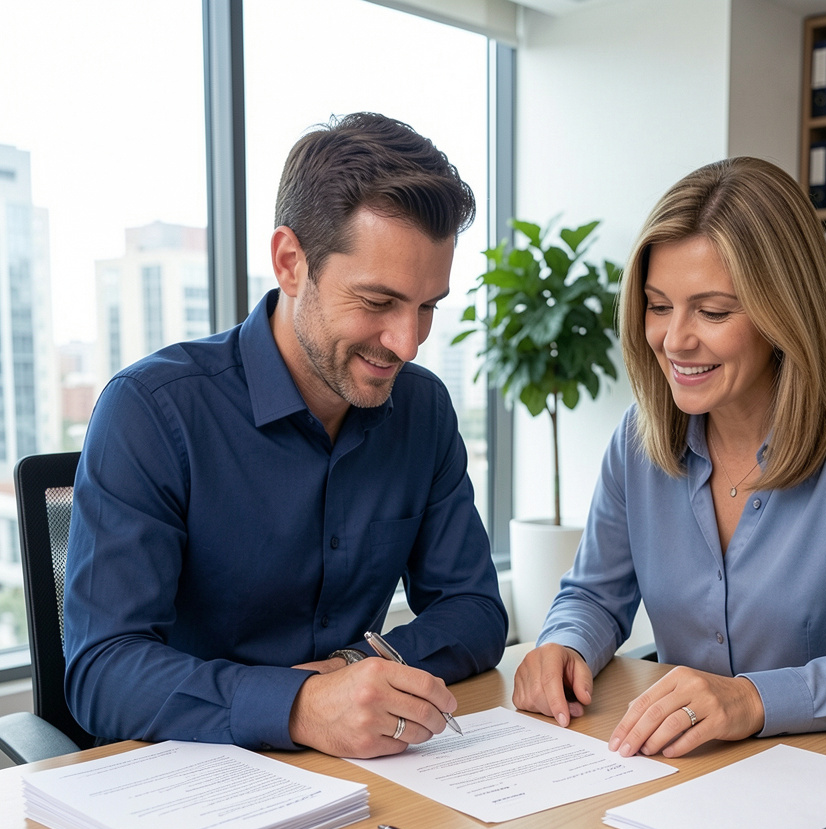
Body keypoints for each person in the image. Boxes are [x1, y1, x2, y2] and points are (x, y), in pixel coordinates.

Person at [64, 112, 508, 759]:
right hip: (193, 784)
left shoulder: (424, 411)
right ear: (291, 262)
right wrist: (297, 707)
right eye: (379, 303)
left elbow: (474, 609)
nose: (408, 342)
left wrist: (356, 667)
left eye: (428, 307)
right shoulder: (151, 412)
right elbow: (103, 671)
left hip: (362, 779)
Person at [513, 156, 826, 758]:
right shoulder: (638, 440)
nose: (674, 340)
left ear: (786, 314)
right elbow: (593, 597)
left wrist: (752, 700)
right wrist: (563, 644)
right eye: (659, 305)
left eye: (713, 311)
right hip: (680, 771)